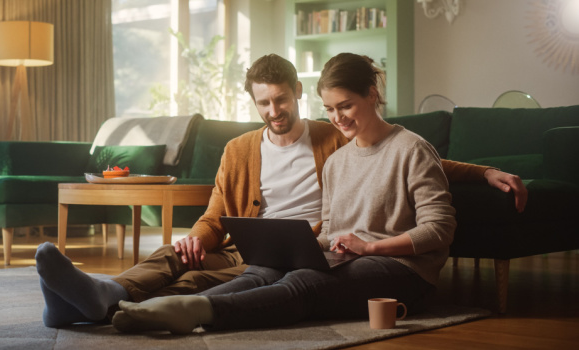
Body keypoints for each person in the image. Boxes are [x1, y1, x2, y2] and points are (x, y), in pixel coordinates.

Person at [34, 53, 528, 327]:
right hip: (254, 248)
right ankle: (101, 295)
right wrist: (198, 240)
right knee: (175, 257)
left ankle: (131, 311)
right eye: (264, 103)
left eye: (282, 99)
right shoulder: (243, 150)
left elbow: (416, 161)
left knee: (226, 283)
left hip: (311, 250)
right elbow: (215, 214)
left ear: (296, 94)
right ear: (255, 103)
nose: (274, 110)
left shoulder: (335, 139)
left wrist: (483, 171)